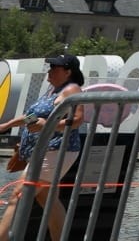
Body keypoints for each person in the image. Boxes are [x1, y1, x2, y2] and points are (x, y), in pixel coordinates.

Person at [0, 54, 87, 241]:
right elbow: (31, 117)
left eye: (55, 68)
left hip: (57, 150)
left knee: (18, 195)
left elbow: (78, 119)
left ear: (68, 72)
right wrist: (7, 125)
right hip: (43, 151)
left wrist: (48, 125)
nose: (50, 71)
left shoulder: (72, 89)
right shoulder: (52, 90)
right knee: (47, 200)